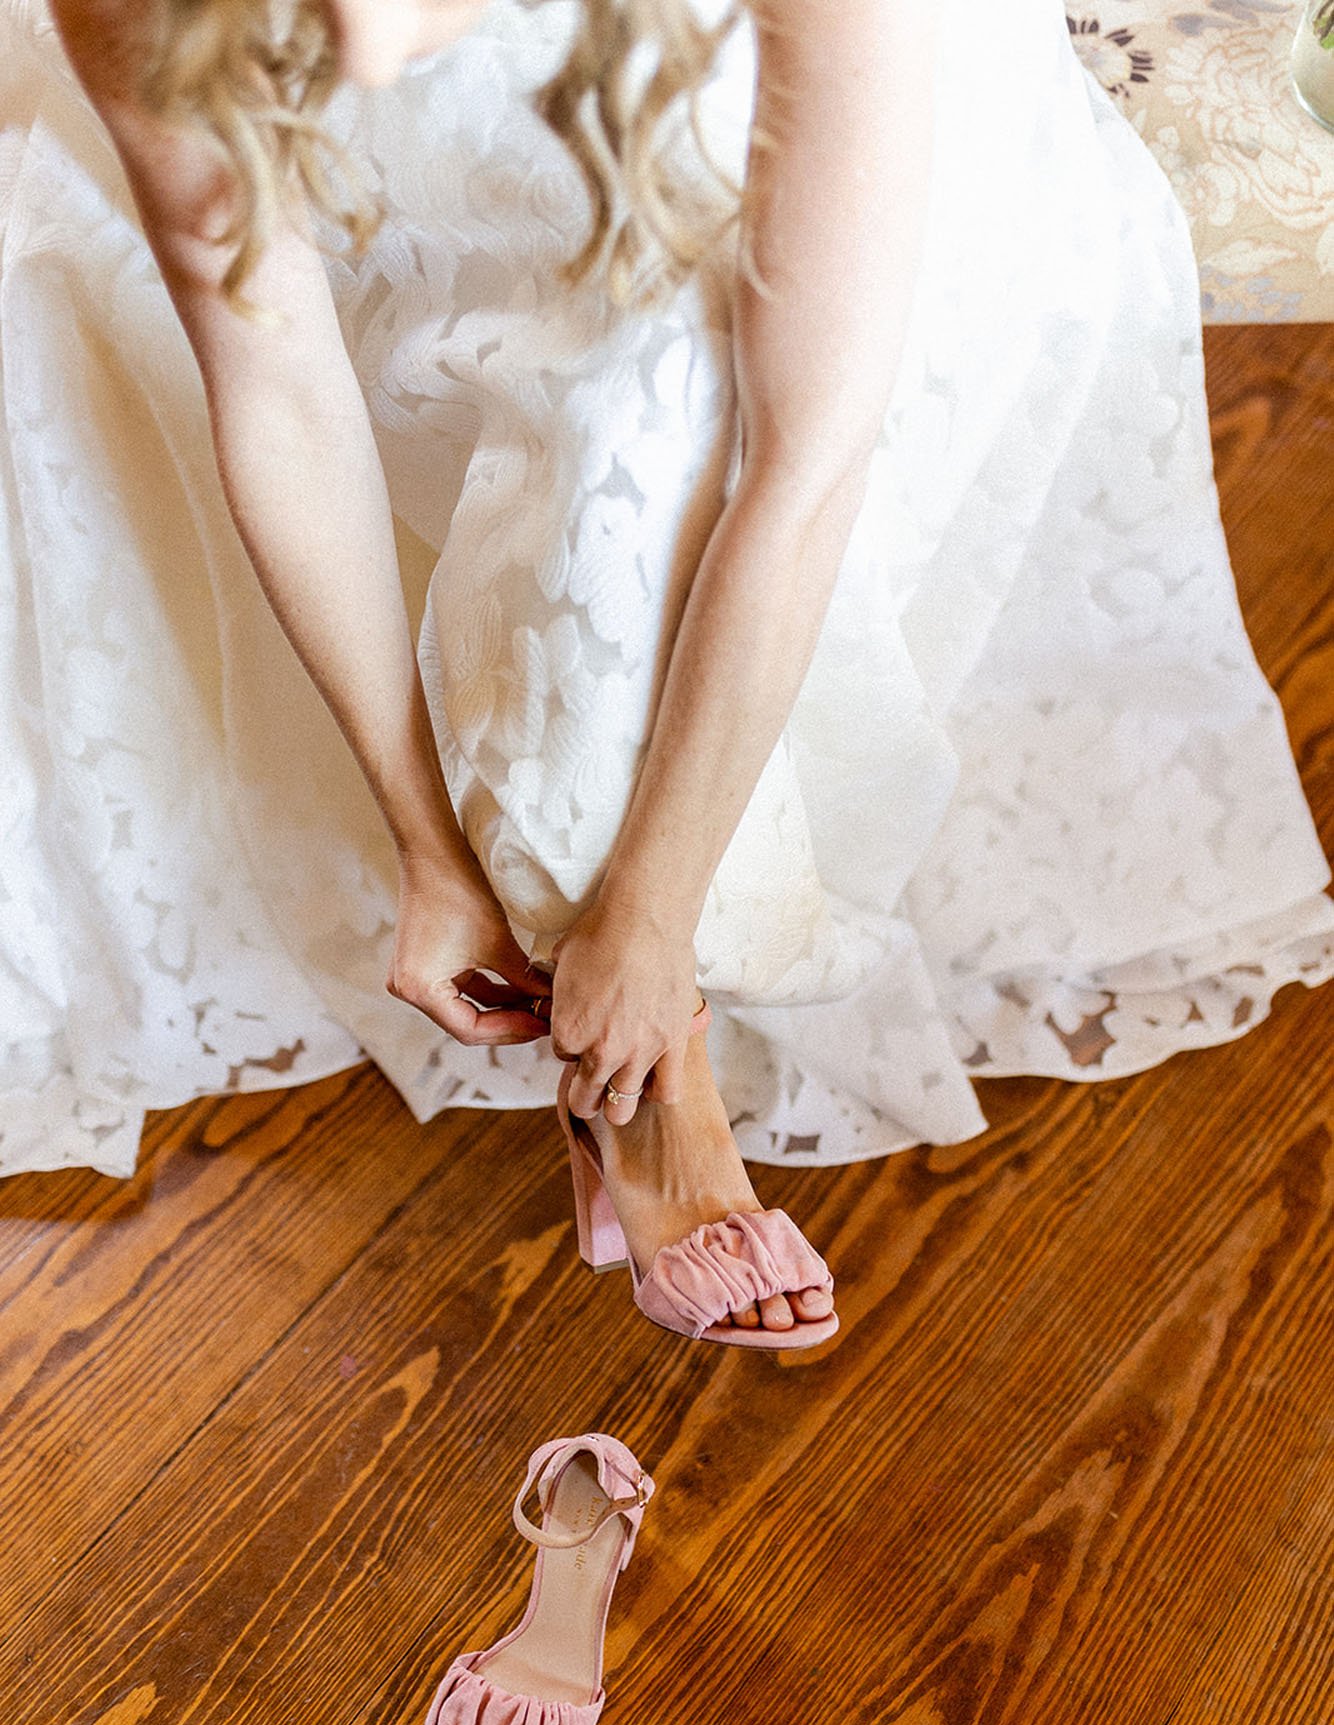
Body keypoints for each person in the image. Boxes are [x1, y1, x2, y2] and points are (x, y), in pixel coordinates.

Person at [2, 1, 1331, 1332]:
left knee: (653, 431)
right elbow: (278, 390)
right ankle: (622, 1042)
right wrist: (425, 843)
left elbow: (801, 467)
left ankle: (648, 1071)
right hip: (430, 164)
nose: (351, 53)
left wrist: (655, 907)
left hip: (761, 107)